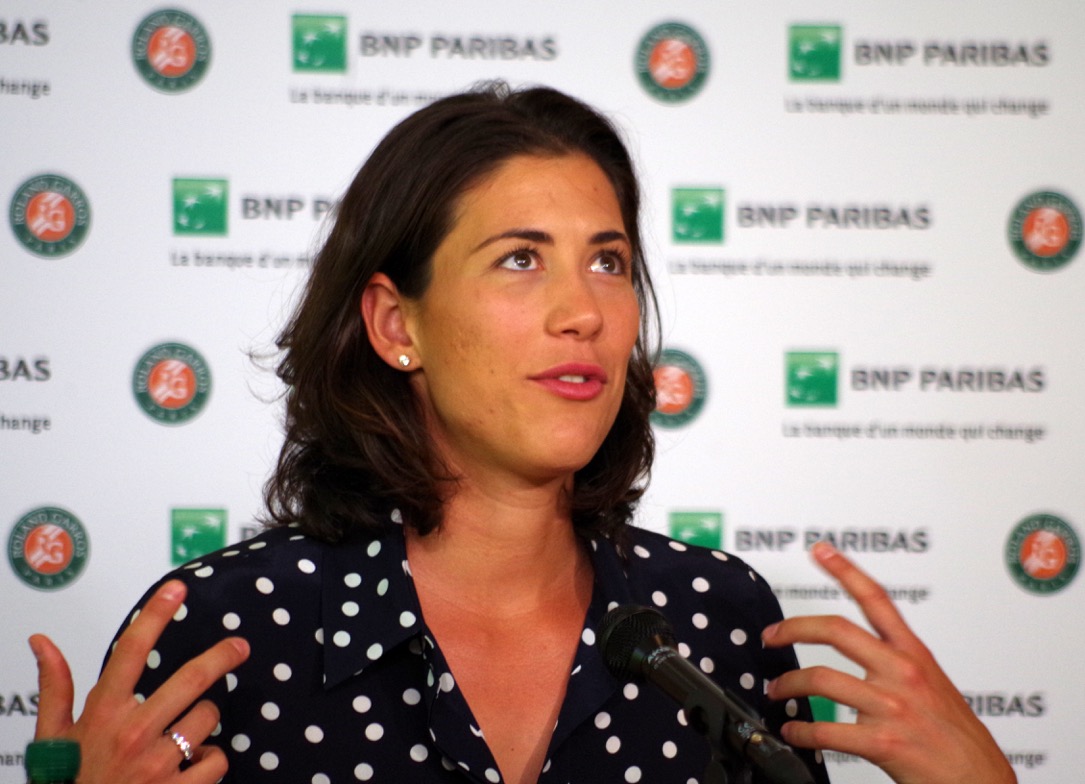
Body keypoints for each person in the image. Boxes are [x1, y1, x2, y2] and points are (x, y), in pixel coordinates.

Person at [28, 83, 1016, 784]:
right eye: (519, 260)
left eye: (608, 262)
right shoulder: (227, 633)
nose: (582, 312)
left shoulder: (716, 620)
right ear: (395, 323)